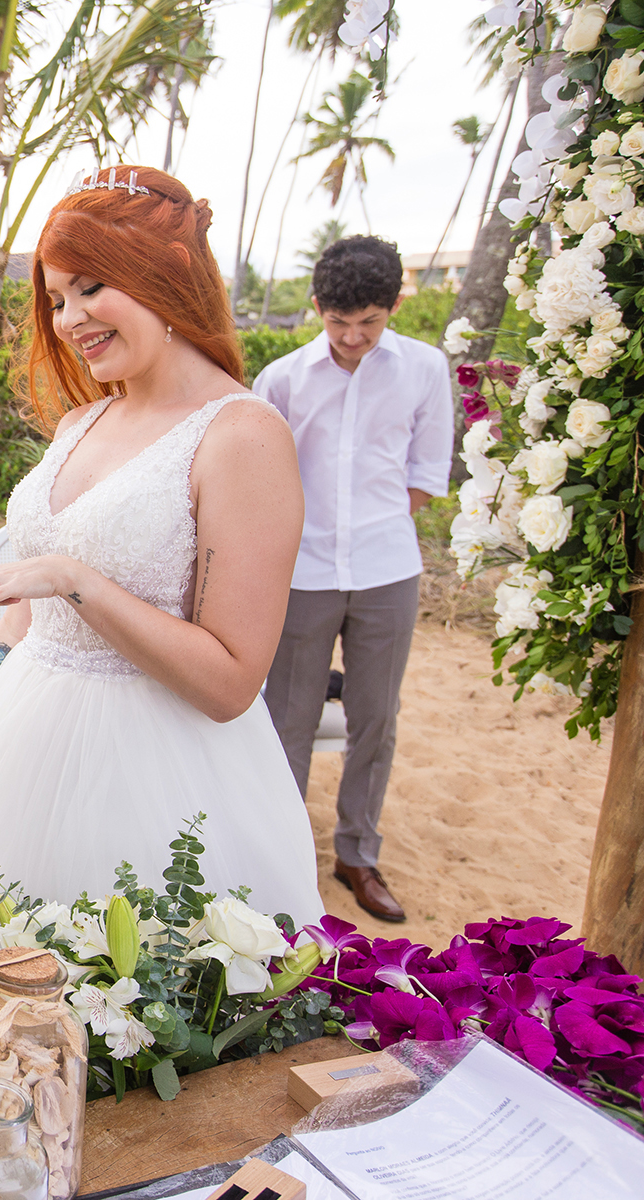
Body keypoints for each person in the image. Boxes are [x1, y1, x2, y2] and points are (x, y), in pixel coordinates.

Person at [0, 168, 325, 1172]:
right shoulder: (85, 421)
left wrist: (78, 584)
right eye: (55, 297)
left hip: (165, 778)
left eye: (92, 286)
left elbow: (230, 680)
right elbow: (29, 576)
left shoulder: (244, 435)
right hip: (17, 746)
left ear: (167, 277)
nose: (71, 317)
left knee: (132, 1063)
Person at [255, 236, 452, 923]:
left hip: (387, 569)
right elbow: (259, 477)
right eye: (339, 321)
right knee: (289, 719)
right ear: (318, 307)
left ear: (394, 305)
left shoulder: (425, 369)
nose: (352, 336)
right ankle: (281, 858)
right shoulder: (281, 379)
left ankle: (357, 855)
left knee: (376, 718)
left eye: (369, 321)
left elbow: (425, 474)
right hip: (302, 573)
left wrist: (370, 526)